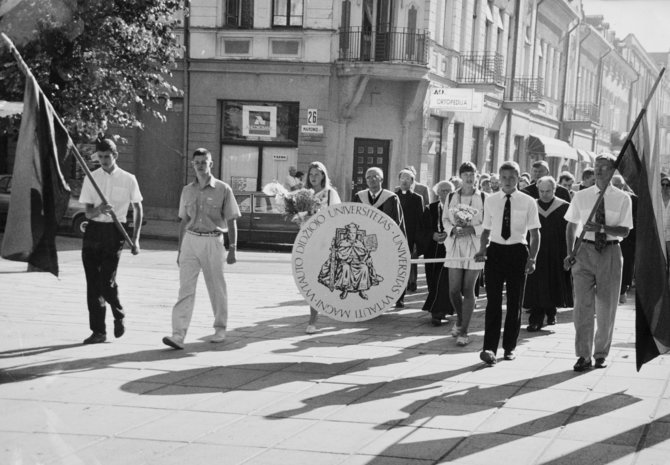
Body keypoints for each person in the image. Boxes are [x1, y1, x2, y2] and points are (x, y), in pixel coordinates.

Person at [163, 148, 241, 350]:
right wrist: (180, 250)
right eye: (196, 162)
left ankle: (220, 328)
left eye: (204, 162)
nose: (200, 165)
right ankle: (178, 334)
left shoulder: (223, 189)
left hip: (213, 241)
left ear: (211, 164)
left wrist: (232, 248)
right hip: (190, 240)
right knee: (185, 289)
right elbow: (184, 220)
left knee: (216, 288)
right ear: (192, 164)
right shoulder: (187, 190)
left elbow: (231, 220)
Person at [564, 154, 633, 371]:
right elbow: (571, 225)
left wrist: (602, 228)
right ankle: (583, 355)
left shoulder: (623, 198)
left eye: (604, 168)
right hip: (584, 251)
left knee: (606, 306)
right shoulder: (581, 196)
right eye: (596, 167)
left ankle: (601, 352)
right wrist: (570, 252)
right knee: (582, 307)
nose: (599, 171)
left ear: (613, 172)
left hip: (610, 252)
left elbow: (625, 230)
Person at [474, 161, 541, 366]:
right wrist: (482, 250)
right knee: (493, 302)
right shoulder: (491, 200)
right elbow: (486, 229)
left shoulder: (528, 201)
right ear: (499, 179)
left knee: (514, 302)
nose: (508, 181)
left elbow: (535, 233)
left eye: (512, 177)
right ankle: (489, 348)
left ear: (518, 178)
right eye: (504, 177)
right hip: (495, 253)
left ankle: (510, 347)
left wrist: (532, 258)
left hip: (517, 252)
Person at [79, 139, 143, 344]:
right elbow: (88, 212)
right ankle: (98, 331)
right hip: (94, 231)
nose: (104, 160)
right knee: (93, 285)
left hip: (115, 232)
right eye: (101, 156)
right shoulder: (91, 178)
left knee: (106, 282)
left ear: (115, 155)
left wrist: (136, 239)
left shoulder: (128, 179)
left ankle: (119, 313)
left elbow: (138, 208)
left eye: (108, 156)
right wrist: (99, 210)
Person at [443, 162, 487, 345]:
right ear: (460, 176)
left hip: (475, 247)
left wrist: (473, 229)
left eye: (472, 174)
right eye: (466, 174)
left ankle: (465, 331)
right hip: (455, 246)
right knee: (453, 290)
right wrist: (453, 229)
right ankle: (460, 319)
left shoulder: (484, 197)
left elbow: (489, 223)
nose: (469, 178)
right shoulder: (452, 196)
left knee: (468, 288)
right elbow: (445, 219)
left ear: (477, 175)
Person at [524, 176, 572, 331]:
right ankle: (535, 319)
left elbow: (570, 231)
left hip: (556, 251)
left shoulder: (564, 207)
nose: (544, 194)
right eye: (541, 191)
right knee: (537, 283)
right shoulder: (532, 206)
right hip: (537, 251)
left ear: (554, 190)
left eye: (548, 191)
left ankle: (551, 312)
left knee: (553, 282)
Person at [354, 167, 406, 306]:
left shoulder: (391, 198)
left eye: (374, 176)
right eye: (368, 177)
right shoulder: (360, 196)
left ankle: (390, 297)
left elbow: (396, 221)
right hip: (364, 241)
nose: (371, 179)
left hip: (385, 241)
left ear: (381, 179)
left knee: (384, 269)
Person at [304, 161, 342, 334]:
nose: (313, 178)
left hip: (327, 242)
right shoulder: (304, 194)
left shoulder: (329, 193)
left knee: (328, 280)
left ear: (323, 176)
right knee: (311, 280)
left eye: (317, 175)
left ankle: (332, 309)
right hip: (308, 242)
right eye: (311, 174)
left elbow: (338, 217)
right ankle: (313, 318)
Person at [421, 181, 452, 315]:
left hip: (450, 248)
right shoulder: (430, 208)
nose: (446, 193)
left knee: (444, 278)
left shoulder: (456, 209)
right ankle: (436, 307)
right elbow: (422, 228)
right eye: (443, 191)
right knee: (433, 278)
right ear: (437, 193)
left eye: (449, 191)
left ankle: (439, 311)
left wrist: (449, 233)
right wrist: (432, 235)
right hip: (432, 248)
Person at [395, 169, 425, 293]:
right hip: (396, 233)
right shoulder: (393, 196)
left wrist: (418, 239)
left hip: (411, 233)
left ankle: (412, 282)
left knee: (411, 260)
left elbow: (420, 219)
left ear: (412, 182)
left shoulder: (417, 198)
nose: (405, 181)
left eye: (408, 178)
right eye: (403, 178)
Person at [611, 174, 637, 304]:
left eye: (620, 185)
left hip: (627, 240)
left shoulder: (632, 199)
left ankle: (622, 290)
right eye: (615, 185)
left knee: (626, 266)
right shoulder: (606, 197)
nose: (618, 188)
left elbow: (637, 221)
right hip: (611, 238)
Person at [662, 173, 670, 259]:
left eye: (668, 185)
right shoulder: (656, 202)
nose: (665, 187)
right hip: (659, 237)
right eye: (663, 184)